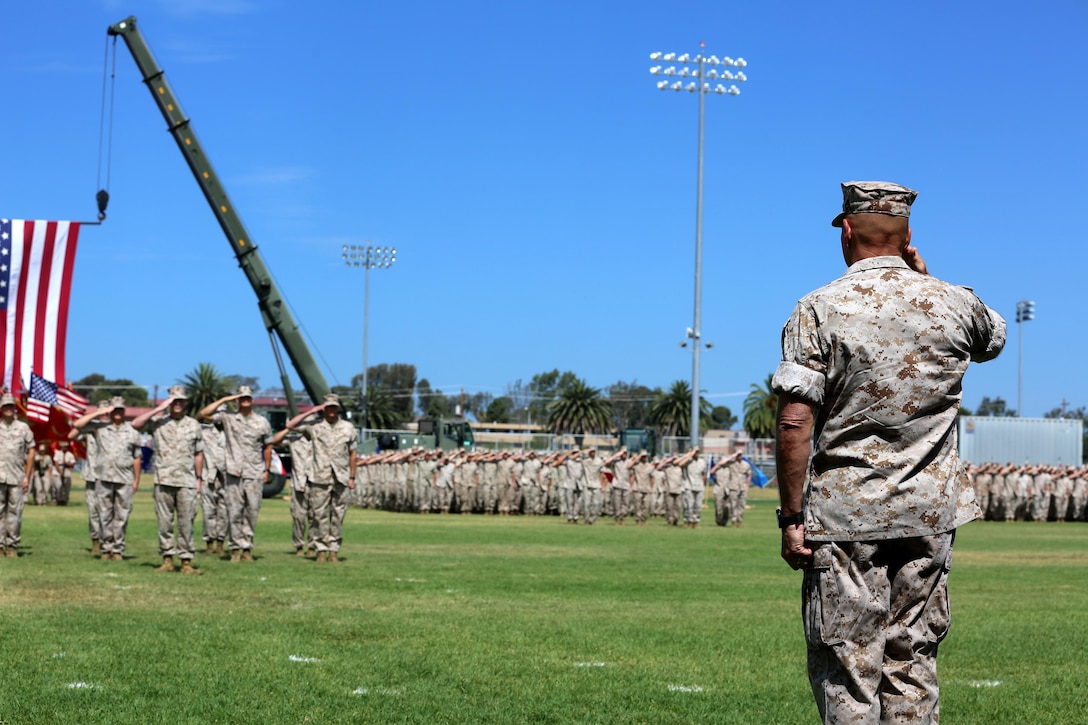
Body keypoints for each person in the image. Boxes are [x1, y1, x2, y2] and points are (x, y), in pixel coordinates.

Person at [773, 181, 1006, 722]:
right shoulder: (956, 304)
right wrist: (925, 281)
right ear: (907, 236)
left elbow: (793, 419)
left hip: (847, 516)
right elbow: (993, 339)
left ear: (847, 231)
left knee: (851, 670)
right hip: (928, 515)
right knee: (913, 661)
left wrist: (790, 517)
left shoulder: (819, 308)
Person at [133, 386, 206, 574]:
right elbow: (136, 424)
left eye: (181, 401)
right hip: (163, 480)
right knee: (164, 523)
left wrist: (199, 478)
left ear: (186, 403)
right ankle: (167, 560)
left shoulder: (193, 425)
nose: (178, 404)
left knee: (186, 522)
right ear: (169, 402)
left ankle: (186, 562)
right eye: (174, 401)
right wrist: (159, 408)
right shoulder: (158, 422)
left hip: (187, 481)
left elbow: (199, 453)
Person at [199, 386, 272, 563]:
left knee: (252, 510)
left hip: (254, 472)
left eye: (247, 397)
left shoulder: (262, 422)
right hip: (233, 472)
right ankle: (235, 549)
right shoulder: (228, 418)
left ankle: (247, 548)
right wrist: (225, 400)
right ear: (237, 400)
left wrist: (266, 469)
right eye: (242, 398)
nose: (245, 400)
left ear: (252, 400)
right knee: (234, 511)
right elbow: (204, 414)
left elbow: (268, 445)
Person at [70, 397, 142, 561]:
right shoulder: (100, 428)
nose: (117, 413)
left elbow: (137, 457)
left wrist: (137, 480)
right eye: (114, 410)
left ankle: (117, 550)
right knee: (104, 515)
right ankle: (105, 549)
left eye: (120, 410)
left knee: (121, 516)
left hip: (124, 479)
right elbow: (77, 426)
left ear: (124, 412)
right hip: (104, 478)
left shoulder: (132, 432)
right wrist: (98, 412)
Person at [288, 394, 357, 562]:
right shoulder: (315, 427)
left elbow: (353, 453)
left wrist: (352, 477)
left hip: (340, 477)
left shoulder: (348, 428)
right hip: (319, 477)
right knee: (320, 516)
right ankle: (320, 549)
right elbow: (291, 425)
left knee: (338, 515)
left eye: (334, 407)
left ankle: (333, 550)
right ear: (324, 409)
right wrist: (311, 411)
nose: (332, 410)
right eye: (328, 407)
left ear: (338, 409)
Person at [272, 409, 319, 557]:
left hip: (317, 482)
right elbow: (275, 441)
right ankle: (299, 546)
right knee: (298, 517)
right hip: (299, 482)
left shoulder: (320, 439)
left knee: (315, 517)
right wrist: (288, 428)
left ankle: (312, 547)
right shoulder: (294, 439)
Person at [0, 393, 35, 557]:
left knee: (15, 513)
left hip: (16, 477)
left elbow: (31, 450)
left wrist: (27, 476)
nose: (8, 409)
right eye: (5, 406)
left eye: (10, 406)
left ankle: (12, 545)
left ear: (15, 409)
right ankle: (0, 546)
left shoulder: (23, 428)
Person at [52, 440, 77, 506]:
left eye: (65, 447)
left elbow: (73, 464)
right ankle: (58, 500)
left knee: (66, 487)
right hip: (58, 471)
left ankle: (65, 500)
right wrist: (60, 471)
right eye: (63, 447)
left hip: (67, 470)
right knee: (58, 486)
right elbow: (56, 463)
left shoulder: (70, 454)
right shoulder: (57, 453)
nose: (64, 448)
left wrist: (67, 464)